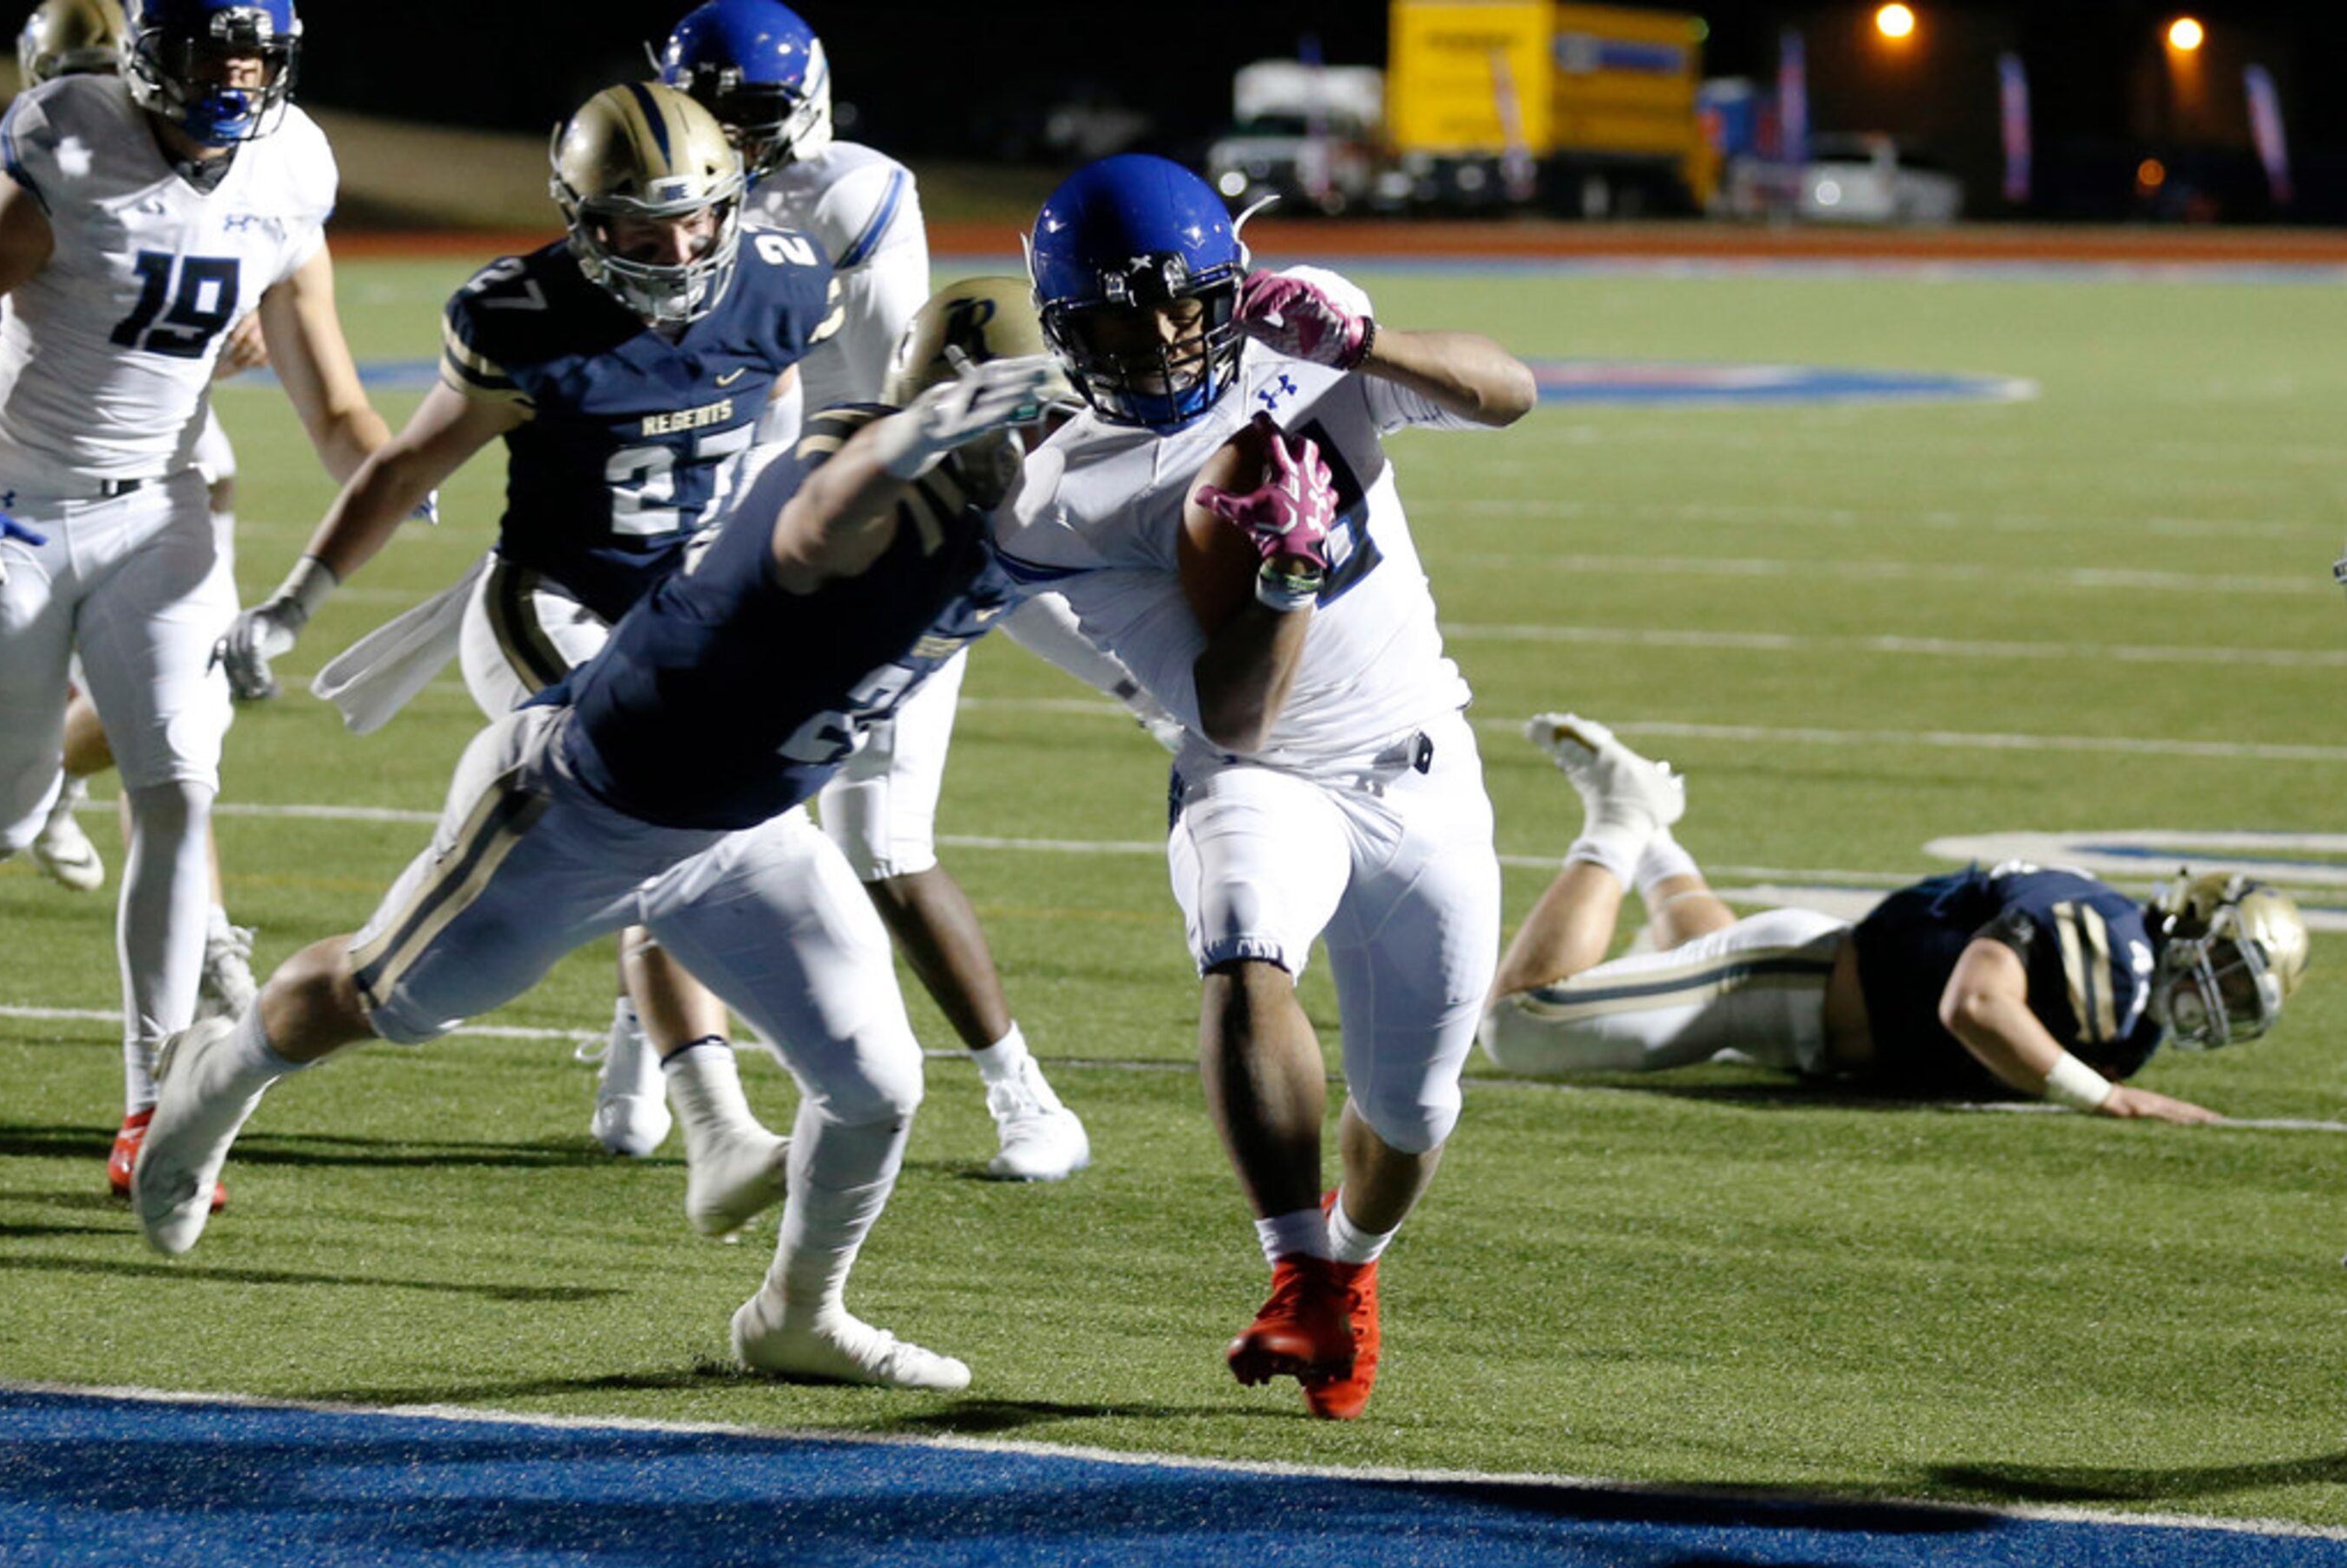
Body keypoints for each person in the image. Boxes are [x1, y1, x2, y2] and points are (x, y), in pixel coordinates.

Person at [132, 351, 1063, 1391]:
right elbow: (815, 529)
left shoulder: (1030, 512)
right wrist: (914, 435)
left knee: (875, 1088)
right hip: (576, 808)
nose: (1040, 446)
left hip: (741, 833)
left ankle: (796, 1316)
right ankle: (214, 1080)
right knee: (376, 997)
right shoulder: (847, 460)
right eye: (1022, 422)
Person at [998, 154, 1537, 1418]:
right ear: (1067, 324)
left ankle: (1348, 1268)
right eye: (1120, 318)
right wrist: (1285, 574)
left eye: (1182, 305)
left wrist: (1371, 341)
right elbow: (1238, 709)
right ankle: (1293, 1263)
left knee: (1408, 1114)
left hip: (1417, 763)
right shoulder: (1063, 493)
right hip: (1259, 769)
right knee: (1243, 948)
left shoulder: (1294, 347)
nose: (1160, 338)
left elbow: (1509, 392)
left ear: (1225, 287)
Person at [221, 80, 836, 1186]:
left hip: (688, 606)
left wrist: (755, 524)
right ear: (581, 218)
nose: (680, 243)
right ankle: (707, 1114)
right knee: (657, 806)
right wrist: (298, 596)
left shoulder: (782, 282)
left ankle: (677, 1102)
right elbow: (407, 464)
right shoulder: (523, 317)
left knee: (670, 816)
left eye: (697, 214)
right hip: (552, 605)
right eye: (643, 225)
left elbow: (781, 395)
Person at [659, 0, 1135, 1181]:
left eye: (752, 112)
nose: (732, 136)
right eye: (708, 112)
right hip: (750, 528)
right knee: (670, 801)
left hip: (883, 514)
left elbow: (867, 390)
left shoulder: (850, 189)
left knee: (872, 836)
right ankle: (671, 1070)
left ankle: (1020, 1095)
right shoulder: (675, 190)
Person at [0, 0, 406, 1199]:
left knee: (175, 780)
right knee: (5, 823)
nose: (237, 74)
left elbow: (331, 401)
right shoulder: (69, 137)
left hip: (161, 503)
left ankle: (151, 1103)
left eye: (257, 52)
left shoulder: (293, 163)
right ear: (147, 55)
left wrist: (401, 482)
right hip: (12, 504)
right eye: (212, 48)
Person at [1478, 714, 2311, 1119]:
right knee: (1519, 1028)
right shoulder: (2110, 938)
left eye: (2243, 996)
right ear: (2192, 925)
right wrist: (2101, 1100)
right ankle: (1621, 816)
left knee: (1700, 947)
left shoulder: (2132, 1016)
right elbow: (1975, 1005)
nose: (2223, 1000)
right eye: (2231, 974)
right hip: (1781, 987)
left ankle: (1657, 837)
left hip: (1804, 989)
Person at [4, 0, 263, 1055]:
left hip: (162, 469)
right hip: (19, 472)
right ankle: (43, 788)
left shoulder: (213, 152)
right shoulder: (37, 160)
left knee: (175, 735)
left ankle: (195, 932)